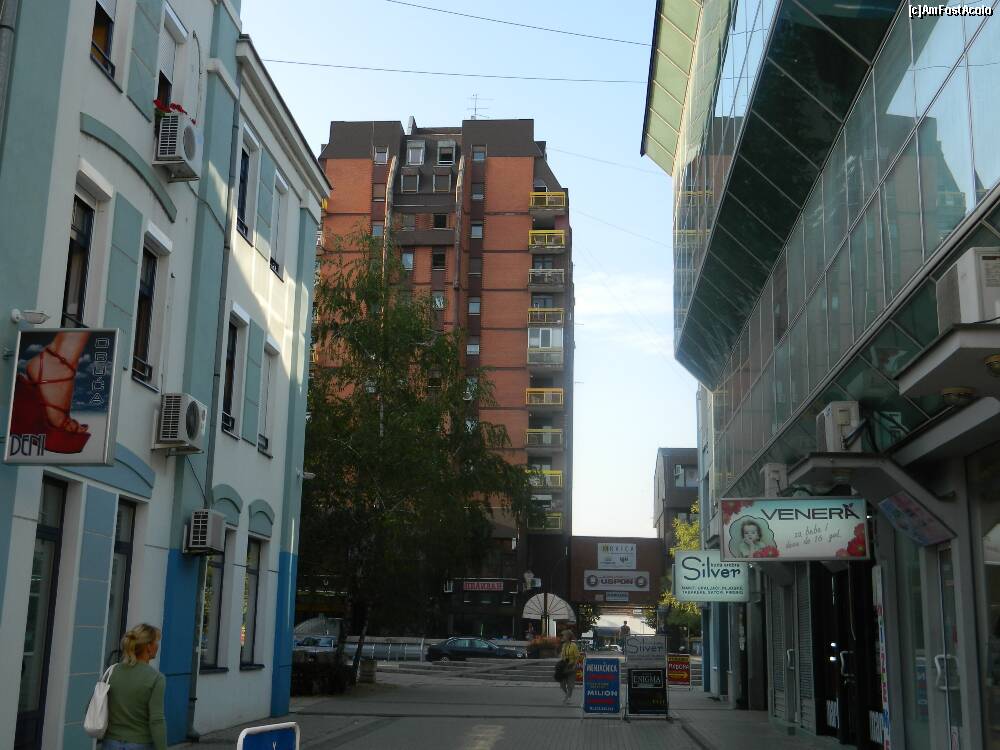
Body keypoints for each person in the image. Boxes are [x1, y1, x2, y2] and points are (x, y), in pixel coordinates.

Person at [104, 623, 167, 750]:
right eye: (156, 642)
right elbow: (156, 720)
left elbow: (92, 706)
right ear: (148, 646)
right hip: (140, 743)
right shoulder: (156, 678)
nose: (158, 645)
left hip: (110, 743)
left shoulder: (112, 672)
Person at [558, 629, 581, 704]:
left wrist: (575, 665)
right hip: (564, 666)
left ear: (568, 637)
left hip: (571, 666)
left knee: (570, 685)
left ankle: (567, 697)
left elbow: (577, 657)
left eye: (564, 635)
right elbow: (562, 656)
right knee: (562, 684)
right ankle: (567, 695)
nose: (563, 637)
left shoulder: (573, 645)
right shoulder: (564, 645)